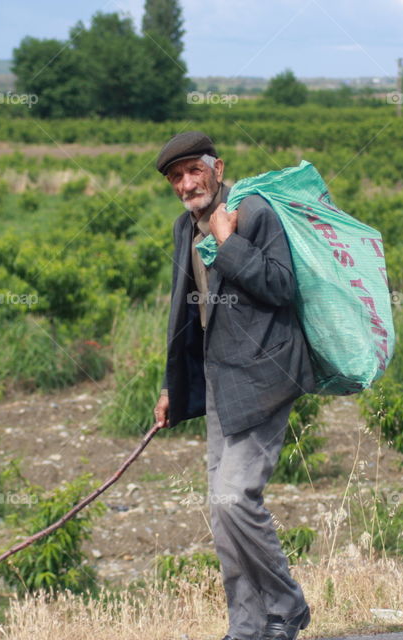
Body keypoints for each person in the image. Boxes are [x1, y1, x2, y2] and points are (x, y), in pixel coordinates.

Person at [152, 131, 317, 640]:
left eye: (193, 171)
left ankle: (287, 608)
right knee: (221, 514)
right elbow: (184, 313)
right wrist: (170, 388)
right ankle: (246, 626)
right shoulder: (185, 227)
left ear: (217, 168)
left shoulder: (256, 212)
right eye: (176, 177)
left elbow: (280, 285)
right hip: (219, 379)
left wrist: (228, 240)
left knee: (234, 499)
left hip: (266, 375)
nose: (185, 184)